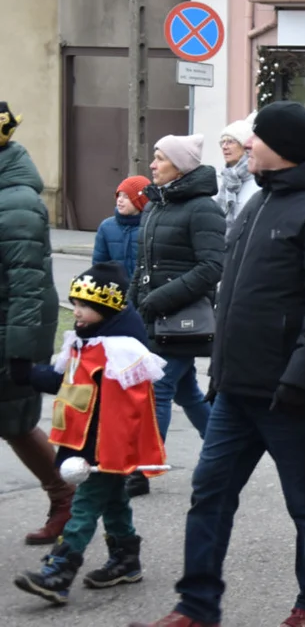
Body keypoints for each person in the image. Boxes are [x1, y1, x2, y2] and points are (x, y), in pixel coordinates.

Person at [132, 101, 305, 627]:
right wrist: (220, 374)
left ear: (283, 148)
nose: (246, 146)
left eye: (256, 139)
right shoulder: (256, 203)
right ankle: (196, 607)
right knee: (208, 496)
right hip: (235, 389)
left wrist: (301, 376)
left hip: (288, 391)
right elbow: (234, 297)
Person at [15, 262, 167, 605]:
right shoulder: (85, 343)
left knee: (83, 508)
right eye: (76, 303)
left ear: (106, 307)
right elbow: (67, 383)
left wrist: (105, 453)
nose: (77, 311)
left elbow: (125, 410)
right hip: (80, 443)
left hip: (100, 449)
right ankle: (126, 560)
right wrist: (29, 374)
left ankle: (59, 571)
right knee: (113, 503)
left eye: (83, 306)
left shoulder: (120, 352)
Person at [125, 134, 225, 498]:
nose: (152, 165)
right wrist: (132, 306)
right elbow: (144, 265)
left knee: (158, 389)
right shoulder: (155, 205)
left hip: (181, 319)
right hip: (153, 315)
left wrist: (160, 299)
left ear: (180, 166)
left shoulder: (203, 209)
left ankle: (141, 470)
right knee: (186, 391)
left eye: (160, 158)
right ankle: (224, 453)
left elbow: (212, 266)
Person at [0, 102, 72, 546]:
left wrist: (20, 355)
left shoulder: (18, 203)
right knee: (15, 425)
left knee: (17, 424)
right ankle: (65, 497)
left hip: (9, 336)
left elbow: (29, 287)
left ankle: (65, 499)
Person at [93, 175, 151, 279]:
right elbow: (99, 265)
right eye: (119, 195)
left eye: (126, 197)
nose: (120, 200)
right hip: (115, 290)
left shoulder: (151, 226)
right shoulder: (106, 227)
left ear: (141, 201)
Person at [214, 113, 259, 236]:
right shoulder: (220, 179)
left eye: (230, 142)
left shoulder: (257, 181)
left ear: (245, 146)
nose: (224, 147)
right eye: (222, 142)